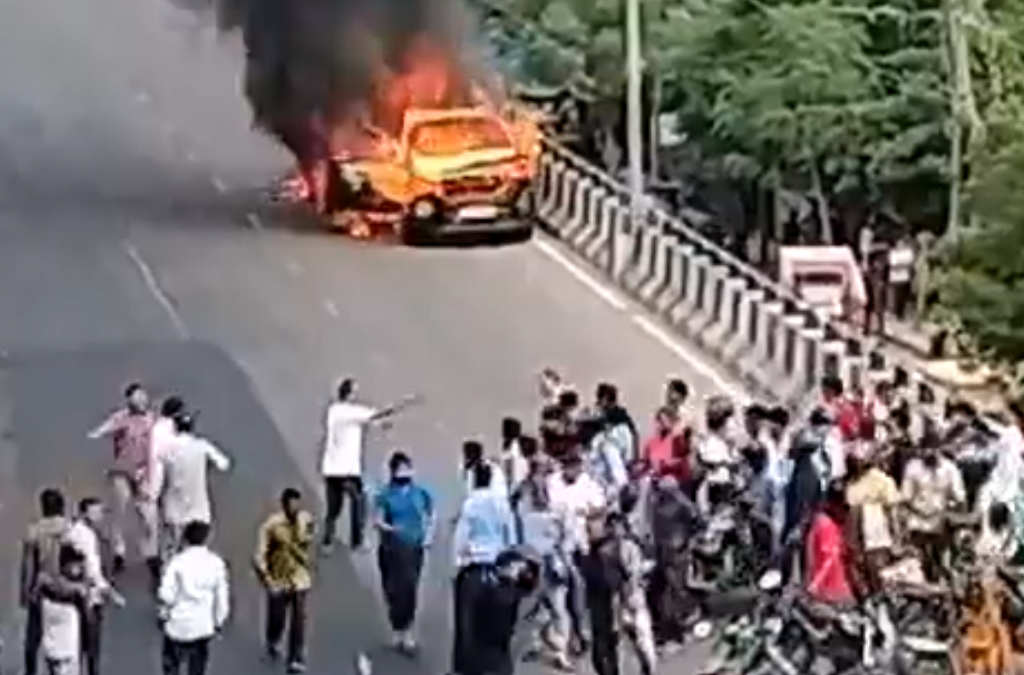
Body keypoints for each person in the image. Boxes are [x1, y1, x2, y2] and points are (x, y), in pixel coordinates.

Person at [320, 378, 417, 552]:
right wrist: (399, 406)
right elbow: (375, 414)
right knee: (359, 502)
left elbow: (367, 420)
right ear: (349, 394)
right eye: (354, 392)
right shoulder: (349, 412)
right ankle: (357, 541)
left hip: (331, 468)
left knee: (333, 508)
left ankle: (327, 541)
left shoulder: (334, 411)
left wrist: (381, 424)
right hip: (347, 470)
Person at [451, 464, 517, 675]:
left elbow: (461, 538)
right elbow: (512, 538)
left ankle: (465, 669)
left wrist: (457, 565)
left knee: (467, 624)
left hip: (474, 569)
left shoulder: (471, 504)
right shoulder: (502, 505)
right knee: (500, 626)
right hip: (499, 570)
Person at [87, 382, 158, 574]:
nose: (142, 401)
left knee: (148, 516)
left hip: (143, 472)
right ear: (130, 401)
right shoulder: (121, 418)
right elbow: (106, 427)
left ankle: (151, 554)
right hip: (122, 472)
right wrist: (96, 434)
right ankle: (119, 553)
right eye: (137, 398)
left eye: (143, 397)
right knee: (119, 513)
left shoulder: (152, 420)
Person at [158, 413, 231, 580]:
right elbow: (224, 464)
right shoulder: (201, 446)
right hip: (198, 508)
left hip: (174, 506)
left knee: (171, 547)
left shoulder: (168, 447)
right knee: (197, 547)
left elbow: (159, 463)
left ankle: (167, 579)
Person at [374, 452, 434, 653]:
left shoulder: (420, 493)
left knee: (409, 588)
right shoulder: (385, 495)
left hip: (413, 548)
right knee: (392, 589)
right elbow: (378, 519)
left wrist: (428, 537)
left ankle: (407, 630)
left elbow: (431, 515)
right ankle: (396, 627)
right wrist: (390, 529)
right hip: (391, 549)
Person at [158, 521, 230, 675]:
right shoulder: (216, 563)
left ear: (186, 539)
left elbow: (166, 594)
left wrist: (166, 610)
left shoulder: (177, 562)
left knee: (171, 665)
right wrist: (218, 621)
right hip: (202, 625)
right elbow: (221, 597)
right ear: (207, 539)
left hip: (178, 624)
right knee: (197, 666)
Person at [254, 488, 313, 672]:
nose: (295, 508)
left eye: (297, 504)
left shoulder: (305, 520)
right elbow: (260, 554)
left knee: (299, 619)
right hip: (278, 578)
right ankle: (273, 639)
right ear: (284, 504)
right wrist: (267, 578)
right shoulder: (272, 526)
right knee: (277, 616)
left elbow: (308, 540)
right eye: (291, 504)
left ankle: (296, 656)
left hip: (299, 578)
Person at [66, 497, 124, 675]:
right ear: (85, 513)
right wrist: (112, 594)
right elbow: (93, 572)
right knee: (91, 645)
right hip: (90, 598)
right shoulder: (88, 536)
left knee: (77, 642)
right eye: (96, 512)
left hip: (75, 594)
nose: (100, 516)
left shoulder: (73, 530)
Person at [21, 488, 72, 675]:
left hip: (40, 588)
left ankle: (31, 671)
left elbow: (28, 566)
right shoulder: (69, 528)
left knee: (32, 639)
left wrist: (25, 593)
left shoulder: (34, 531)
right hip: (66, 588)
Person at [901, 442, 965, 581]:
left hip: (941, 520)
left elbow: (959, 496)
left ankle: (943, 583)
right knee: (921, 559)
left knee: (941, 558)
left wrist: (949, 511)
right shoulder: (913, 467)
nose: (929, 453)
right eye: (926, 450)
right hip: (918, 520)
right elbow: (906, 496)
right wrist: (918, 512)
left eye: (933, 450)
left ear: (940, 450)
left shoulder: (950, 468)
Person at [39, 545, 91, 675]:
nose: (80, 568)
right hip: (65, 652)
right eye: (76, 565)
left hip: (54, 650)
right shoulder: (73, 592)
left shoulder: (46, 586)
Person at [805, 485, 856, 604]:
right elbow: (830, 559)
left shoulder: (820, 521)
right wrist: (815, 584)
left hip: (827, 586)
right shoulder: (826, 525)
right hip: (830, 589)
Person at [499, 418, 530, 496]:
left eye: (508, 428)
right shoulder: (506, 445)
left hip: (517, 483)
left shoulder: (516, 446)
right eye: (504, 428)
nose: (504, 430)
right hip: (510, 482)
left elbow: (514, 466)